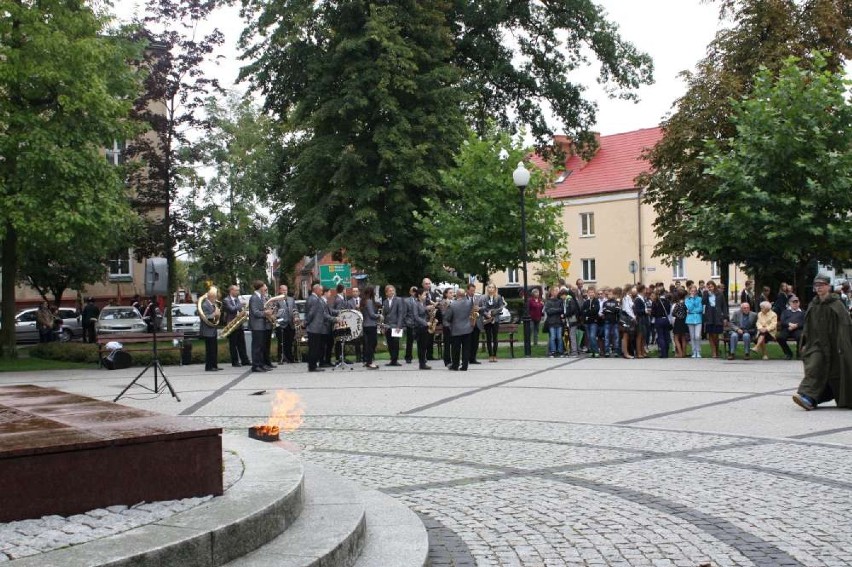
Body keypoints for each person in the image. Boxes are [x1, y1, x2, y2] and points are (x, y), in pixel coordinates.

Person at [792, 274, 852, 410]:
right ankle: (807, 397)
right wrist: (805, 343)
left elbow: (845, 325)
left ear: (828, 287)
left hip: (835, 345)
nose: (818, 288)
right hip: (816, 344)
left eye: (821, 285)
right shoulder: (813, 304)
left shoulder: (837, 304)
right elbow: (808, 325)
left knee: (836, 374)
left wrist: (843, 345)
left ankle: (813, 399)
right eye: (816, 285)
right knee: (814, 367)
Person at [444, 287, 474, 371]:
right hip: (468, 329)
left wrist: (449, 326)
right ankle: (465, 365)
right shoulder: (469, 303)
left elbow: (447, 318)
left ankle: (455, 365)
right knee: (466, 348)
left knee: (456, 349)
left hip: (456, 330)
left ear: (457, 295)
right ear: (464, 295)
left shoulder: (452, 304)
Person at [249, 281, 274, 372]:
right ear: (260, 287)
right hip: (257, 326)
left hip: (261, 325)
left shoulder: (259, 297)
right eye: (264, 287)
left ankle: (261, 364)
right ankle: (255, 366)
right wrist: (265, 313)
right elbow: (255, 312)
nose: (265, 289)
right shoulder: (254, 298)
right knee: (257, 347)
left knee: (261, 346)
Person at [223, 285, 251, 367]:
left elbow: (239, 310)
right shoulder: (226, 300)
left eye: (238, 290)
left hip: (239, 324)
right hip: (231, 324)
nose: (238, 292)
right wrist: (241, 305)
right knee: (233, 344)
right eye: (236, 290)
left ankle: (244, 360)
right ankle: (235, 362)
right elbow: (231, 309)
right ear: (231, 291)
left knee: (242, 343)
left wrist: (244, 311)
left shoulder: (237, 299)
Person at [702, 281, 727, 358]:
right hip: (709, 315)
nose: (710, 288)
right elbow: (703, 302)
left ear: (714, 286)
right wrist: (706, 294)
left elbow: (724, 306)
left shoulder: (719, 293)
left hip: (717, 315)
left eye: (711, 286)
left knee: (716, 334)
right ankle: (713, 352)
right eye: (708, 286)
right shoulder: (706, 294)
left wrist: (725, 317)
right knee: (710, 333)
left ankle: (717, 349)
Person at [480, 284, 505, 362]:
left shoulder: (498, 297)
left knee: (495, 337)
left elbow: (501, 307)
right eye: (489, 287)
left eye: (492, 287)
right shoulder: (483, 297)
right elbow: (482, 308)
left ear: (495, 289)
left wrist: (493, 312)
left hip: (495, 319)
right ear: (487, 289)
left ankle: (495, 355)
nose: (491, 289)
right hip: (487, 319)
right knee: (488, 337)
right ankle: (490, 355)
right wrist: (486, 314)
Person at [200, 287, 222, 371]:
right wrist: (214, 314)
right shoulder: (205, 304)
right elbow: (205, 317)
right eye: (215, 297)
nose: (216, 299)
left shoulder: (213, 304)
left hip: (212, 330)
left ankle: (214, 365)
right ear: (211, 297)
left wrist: (218, 315)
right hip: (207, 330)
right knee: (210, 350)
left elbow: (215, 317)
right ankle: (209, 367)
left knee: (214, 349)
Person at [382, 285, 404, 366]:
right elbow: (384, 315)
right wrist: (383, 326)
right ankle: (392, 359)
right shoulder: (385, 302)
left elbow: (400, 314)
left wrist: (399, 326)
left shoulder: (398, 300)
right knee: (390, 343)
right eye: (390, 291)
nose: (392, 292)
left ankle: (395, 360)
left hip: (396, 325)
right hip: (387, 326)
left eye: (393, 290)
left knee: (396, 343)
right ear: (386, 293)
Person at [274, 284, 297, 364]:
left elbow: (295, 309)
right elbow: (274, 312)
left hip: (290, 324)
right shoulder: (276, 300)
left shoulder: (291, 299)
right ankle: (280, 358)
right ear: (280, 291)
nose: (284, 292)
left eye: (286, 290)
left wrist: (295, 316)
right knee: (281, 342)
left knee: (289, 342)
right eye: (283, 290)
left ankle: (289, 357)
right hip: (281, 324)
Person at [778, 296, 805, 360]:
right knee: (780, 337)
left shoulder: (803, 312)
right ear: (790, 303)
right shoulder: (785, 312)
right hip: (787, 329)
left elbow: (805, 322)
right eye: (793, 302)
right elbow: (782, 321)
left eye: (796, 302)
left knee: (801, 336)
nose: (795, 304)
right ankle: (788, 353)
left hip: (798, 329)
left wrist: (796, 325)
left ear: (799, 303)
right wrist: (789, 324)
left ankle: (799, 353)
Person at [360, 286, 380, 369]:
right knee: (372, 344)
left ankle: (367, 360)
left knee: (368, 344)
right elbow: (372, 315)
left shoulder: (363, 301)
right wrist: (379, 315)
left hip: (365, 325)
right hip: (371, 325)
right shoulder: (369, 301)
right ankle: (370, 362)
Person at [411, 289, 431, 370]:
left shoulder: (423, 303)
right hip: (419, 328)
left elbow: (424, 313)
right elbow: (416, 317)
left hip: (424, 327)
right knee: (421, 346)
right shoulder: (415, 304)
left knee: (424, 346)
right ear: (419, 295)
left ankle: (423, 362)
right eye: (424, 295)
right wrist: (426, 323)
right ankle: (422, 363)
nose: (425, 297)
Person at [650, 288, 672, 358]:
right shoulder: (667, 301)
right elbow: (668, 311)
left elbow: (653, 313)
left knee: (660, 337)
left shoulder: (655, 302)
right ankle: (667, 352)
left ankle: (663, 353)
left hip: (658, 320)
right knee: (666, 337)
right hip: (665, 319)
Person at [544, 287, 564, 357]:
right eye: (555, 290)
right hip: (551, 322)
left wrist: (554, 310)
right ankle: (553, 351)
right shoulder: (548, 301)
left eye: (557, 291)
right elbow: (548, 311)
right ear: (552, 292)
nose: (557, 292)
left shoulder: (560, 301)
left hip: (559, 322)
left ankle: (560, 351)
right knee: (552, 337)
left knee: (559, 337)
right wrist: (557, 310)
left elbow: (562, 309)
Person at [601, 288, 621, 357]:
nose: (610, 295)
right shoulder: (605, 303)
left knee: (616, 337)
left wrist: (610, 310)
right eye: (609, 294)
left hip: (615, 322)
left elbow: (617, 310)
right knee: (607, 337)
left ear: (613, 295)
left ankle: (616, 351)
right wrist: (612, 310)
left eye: (611, 294)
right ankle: (607, 351)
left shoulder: (616, 302)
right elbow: (604, 311)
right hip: (607, 322)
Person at [685, 284, 703, 358]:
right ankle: (694, 351)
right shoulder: (687, 299)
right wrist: (692, 299)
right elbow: (689, 307)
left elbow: (700, 309)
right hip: (690, 319)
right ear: (689, 291)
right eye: (692, 291)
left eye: (695, 291)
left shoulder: (700, 299)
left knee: (697, 336)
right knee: (692, 336)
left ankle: (698, 351)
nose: (693, 292)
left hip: (698, 319)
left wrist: (692, 311)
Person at [466, 284, 482, 364]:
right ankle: (467, 358)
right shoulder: (463, 298)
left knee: (475, 342)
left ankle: (473, 358)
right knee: (468, 342)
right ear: (467, 290)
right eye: (471, 290)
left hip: (476, 322)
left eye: (474, 290)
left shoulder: (477, 298)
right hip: (468, 323)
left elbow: (482, 308)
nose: (473, 292)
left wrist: (479, 309)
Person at [671, 290, 689, 358]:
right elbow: (687, 312)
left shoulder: (677, 304)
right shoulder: (685, 304)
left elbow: (673, 313)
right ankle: (684, 353)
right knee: (683, 338)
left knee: (676, 338)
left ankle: (680, 353)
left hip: (678, 321)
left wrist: (677, 315)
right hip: (684, 321)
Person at [404, 286, 419, 364]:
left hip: (418, 323)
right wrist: (406, 322)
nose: (414, 293)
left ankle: (422, 357)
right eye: (412, 291)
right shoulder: (406, 301)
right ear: (410, 292)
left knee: (420, 341)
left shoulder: (419, 300)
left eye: (415, 291)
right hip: (410, 323)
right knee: (409, 341)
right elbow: (404, 313)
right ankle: (408, 357)